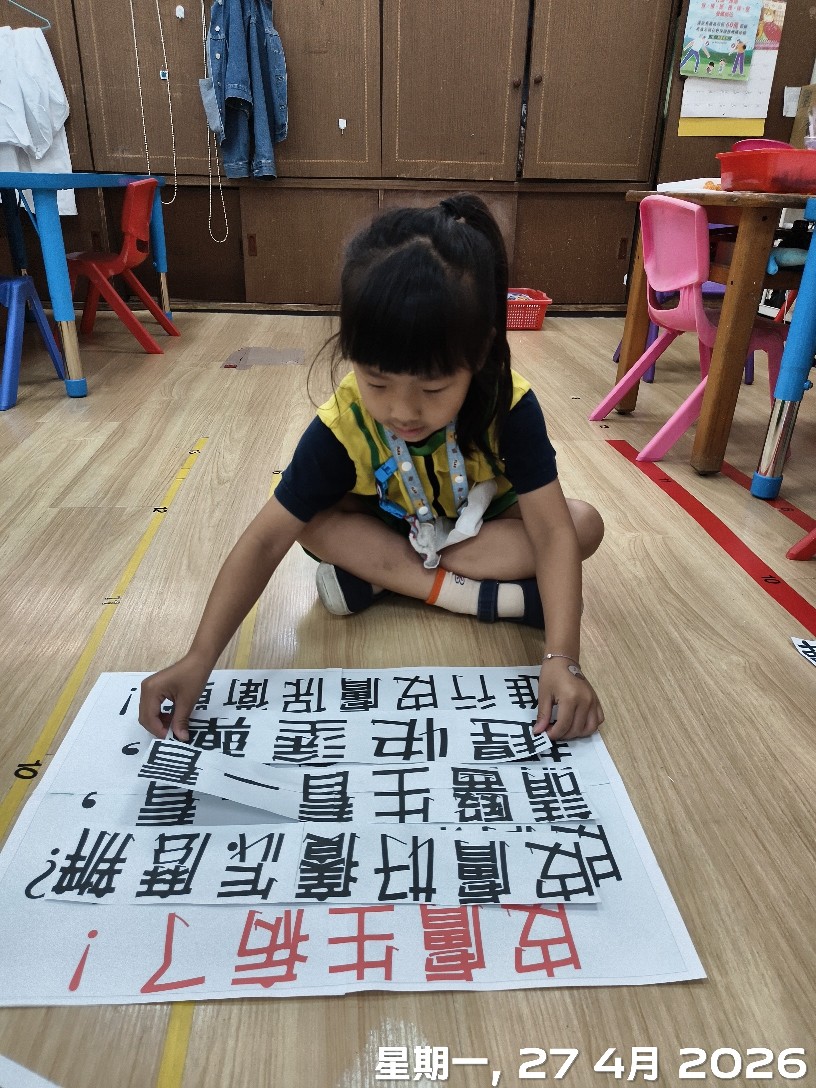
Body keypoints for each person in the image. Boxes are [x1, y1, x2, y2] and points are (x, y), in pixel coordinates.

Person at [139, 193, 605, 744]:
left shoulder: (509, 405)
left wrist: (563, 659)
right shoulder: (344, 423)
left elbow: (551, 531)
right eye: (377, 382)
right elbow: (266, 540)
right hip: (390, 528)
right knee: (309, 520)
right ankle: (472, 594)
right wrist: (199, 657)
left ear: (479, 354)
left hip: (471, 531)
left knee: (582, 524)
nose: (403, 411)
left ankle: (388, 582)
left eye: (433, 388)